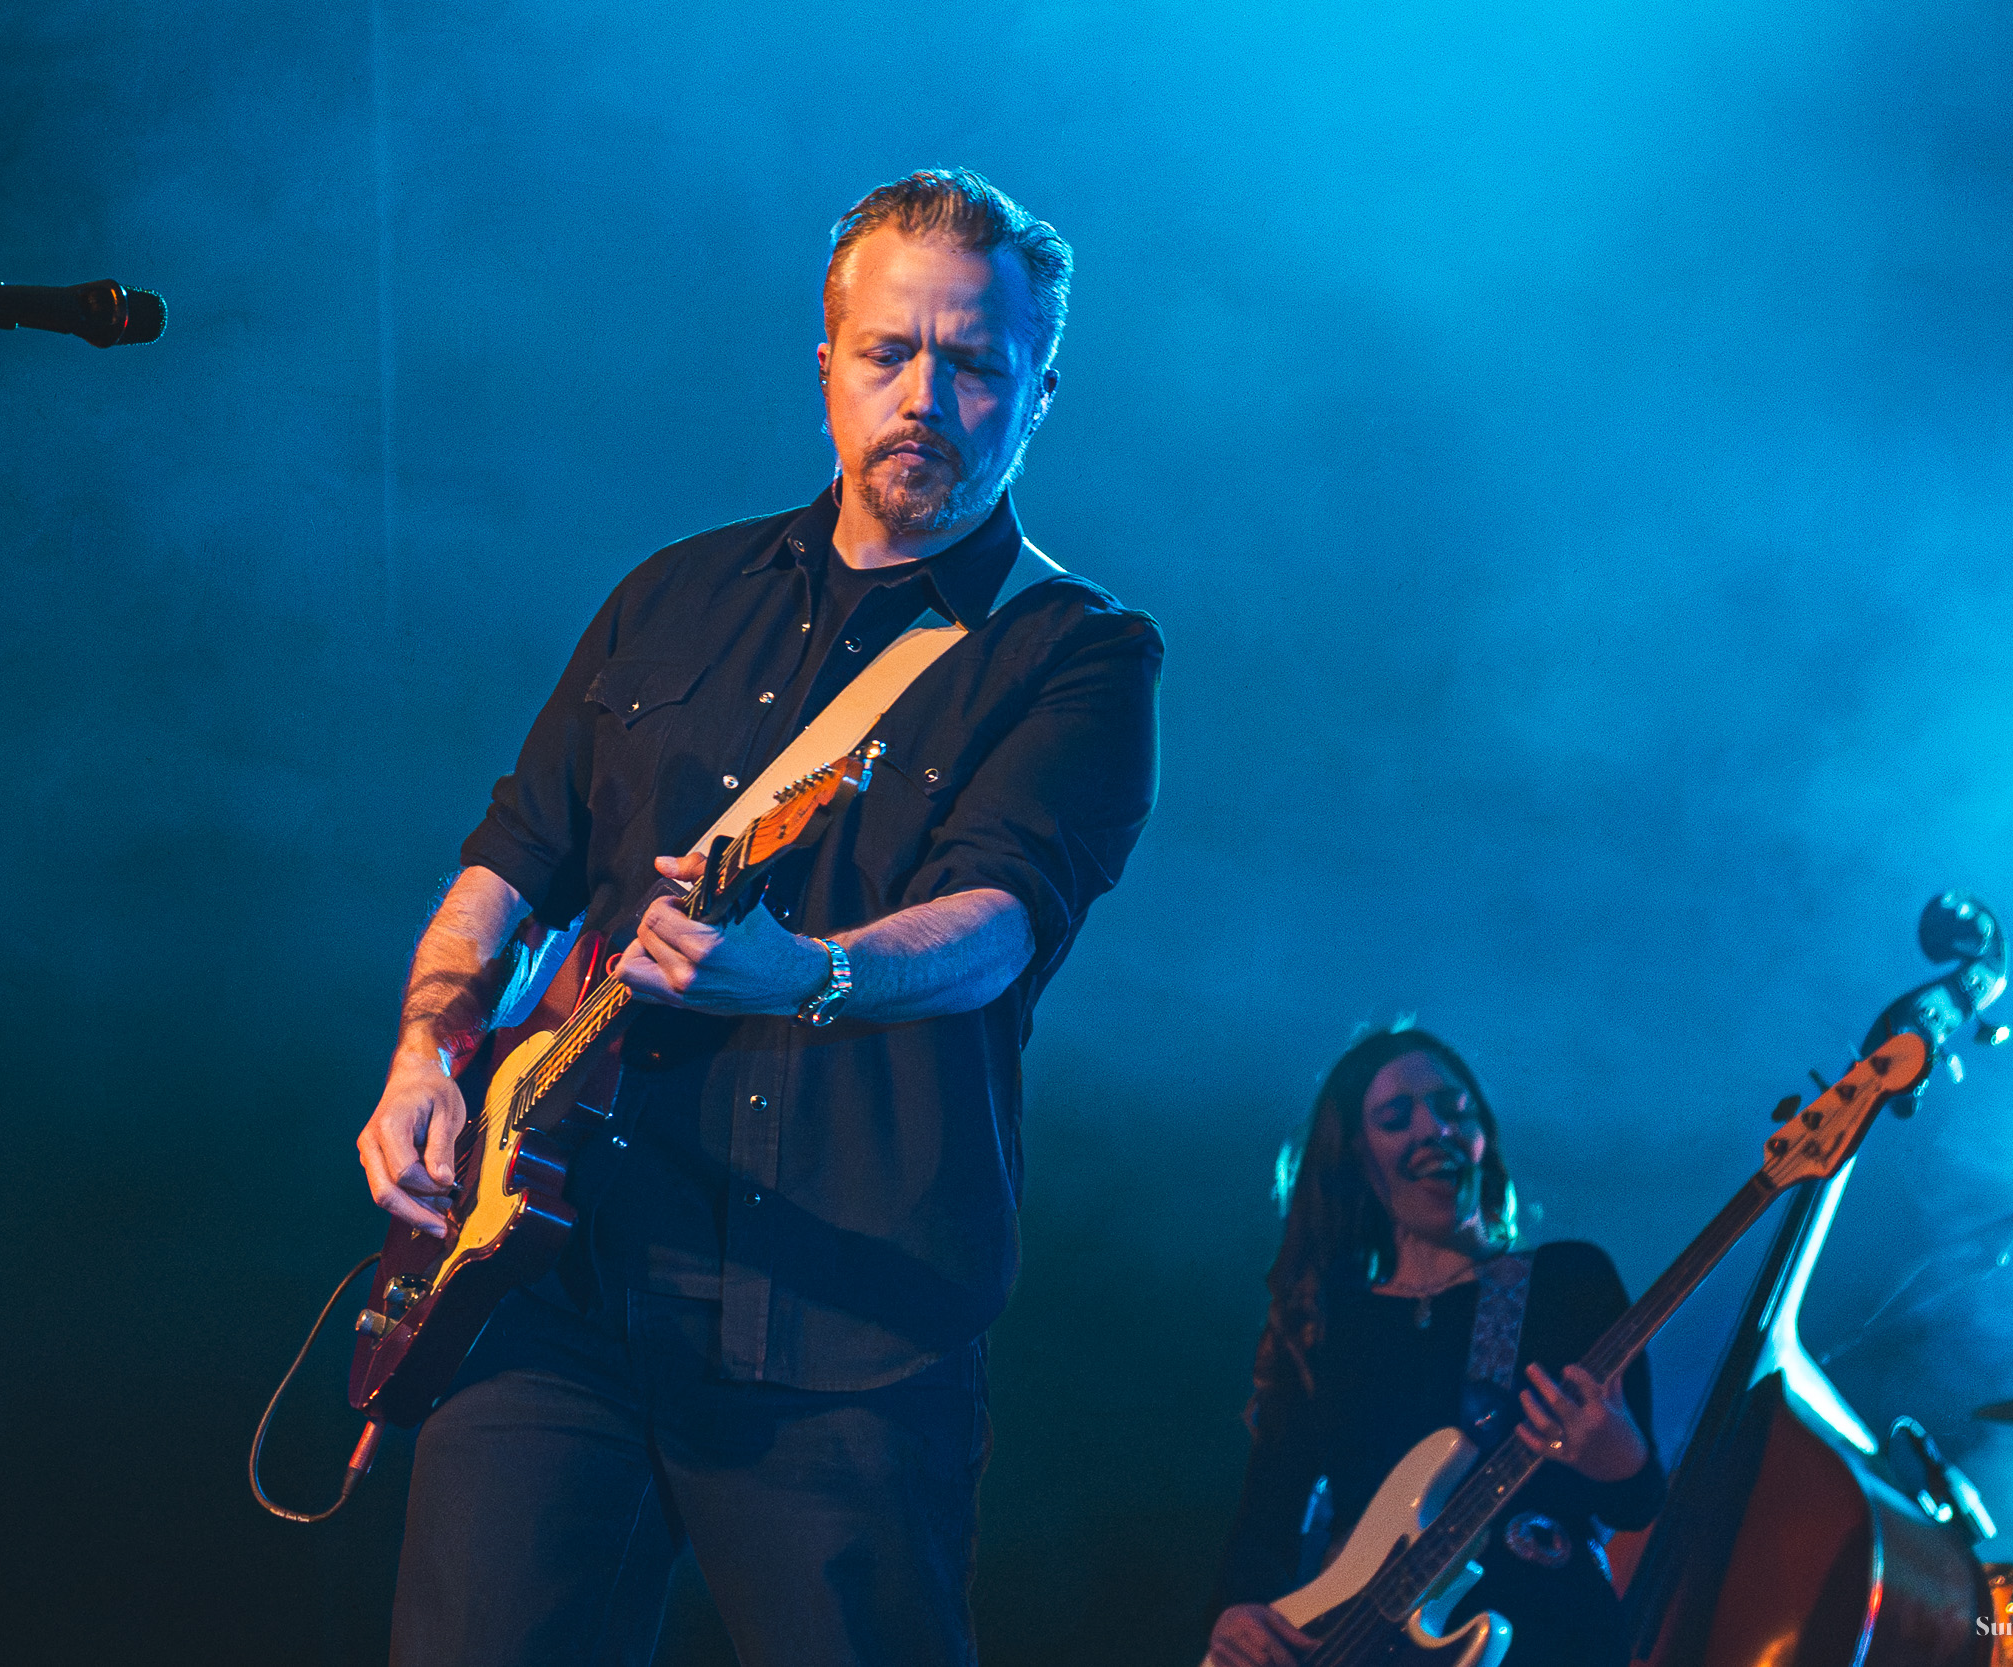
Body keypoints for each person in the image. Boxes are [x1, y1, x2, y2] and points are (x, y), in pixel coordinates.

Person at [353, 168, 1162, 1667]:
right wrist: (426, 1045)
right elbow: (512, 853)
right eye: (889, 353)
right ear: (828, 364)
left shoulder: (1078, 651)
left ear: (1041, 389)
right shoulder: (671, 594)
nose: (927, 395)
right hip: (553, 1281)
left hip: (844, 1328)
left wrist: (813, 972)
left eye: (975, 363)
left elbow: (1003, 913)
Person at [1208, 1026, 1664, 1667]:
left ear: (1482, 1139)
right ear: (1358, 1159)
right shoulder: (1328, 1325)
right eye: (1397, 1118)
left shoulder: (1566, 1281)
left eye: (1453, 1110)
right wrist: (1237, 1614)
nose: (1433, 1130)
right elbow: (1266, 1524)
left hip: (1549, 1637)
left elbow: (1638, 1502)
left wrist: (1616, 1455)